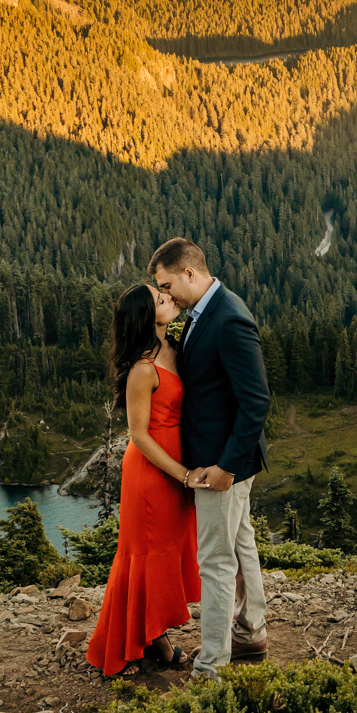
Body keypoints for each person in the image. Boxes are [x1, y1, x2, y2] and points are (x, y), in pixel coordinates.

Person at [149, 237, 270, 679]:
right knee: (241, 545)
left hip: (223, 463)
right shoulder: (204, 311)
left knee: (216, 563)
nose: (165, 295)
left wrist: (224, 468)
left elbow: (256, 401)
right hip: (225, 459)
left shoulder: (231, 319)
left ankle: (212, 664)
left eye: (166, 285)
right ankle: (250, 630)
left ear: (189, 274)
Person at [85, 282, 201, 677]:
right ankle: (129, 646)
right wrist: (182, 474)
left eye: (164, 293)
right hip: (153, 475)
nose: (168, 297)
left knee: (167, 553)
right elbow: (138, 436)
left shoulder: (173, 348)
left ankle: (153, 635)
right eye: (159, 298)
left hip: (175, 471)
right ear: (145, 316)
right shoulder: (142, 369)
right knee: (144, 556)